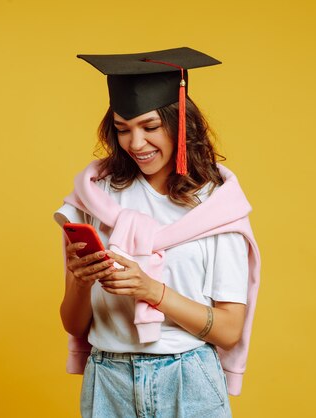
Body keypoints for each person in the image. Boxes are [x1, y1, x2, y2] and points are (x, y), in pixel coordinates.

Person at [54, 47, 261, 418]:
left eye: (150, 127)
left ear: (181, 123)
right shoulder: (95, 196)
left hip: (188, 378)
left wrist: (152, 292)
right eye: (122, 129)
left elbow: (229, 330)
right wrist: (82, 282)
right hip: (108, 379)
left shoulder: (215, 206)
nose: (136, 143)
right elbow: (74, 324)